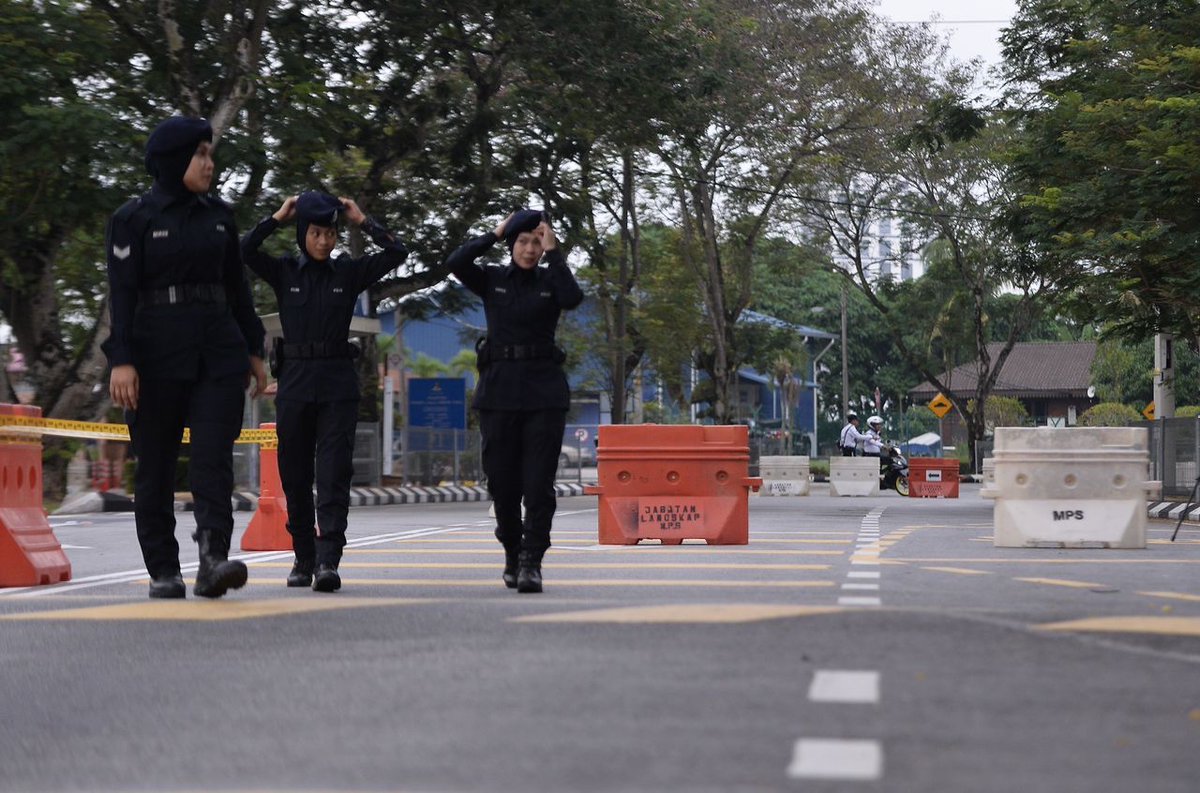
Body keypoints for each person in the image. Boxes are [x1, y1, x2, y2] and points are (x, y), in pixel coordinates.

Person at [102, 116, 268, 600]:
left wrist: (254, 349)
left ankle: (213, 557)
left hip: (218, 349)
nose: (210, 164)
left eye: (210, 155)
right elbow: (122, 293)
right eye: (201, 154)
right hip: (154, 356)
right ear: (175, 160)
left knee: (214, 458)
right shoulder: (133, 218)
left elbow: (238, 289)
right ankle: (163, 569)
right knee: (154, 464)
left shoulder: (219, 215)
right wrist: (122, 359)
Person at [241, 191, 409, 592]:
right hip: (296, 382)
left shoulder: (347, 274)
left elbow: (397, 253)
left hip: (337, 383)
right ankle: (303, 556)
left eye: (330, 234)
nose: (324, 241)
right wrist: (277, 218)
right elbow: (244, 250)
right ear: (303, 234)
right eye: (316, 233)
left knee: (334, 474)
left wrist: (362, 220)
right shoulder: (285, 272)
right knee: (295, 475)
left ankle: (328, 560)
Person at [443, 209, 583, 593]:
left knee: (538, 485)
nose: (529, 248)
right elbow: (455, 262)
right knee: (503, 485)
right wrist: (496, 230)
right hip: (499, 393)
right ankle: (511, 550)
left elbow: (573, 298)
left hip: (543, 394)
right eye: (522, 241)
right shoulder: (492, 279)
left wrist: (555, 253)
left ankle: (531, 561)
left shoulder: (551, 280)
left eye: (536, 242)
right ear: (511, 245)